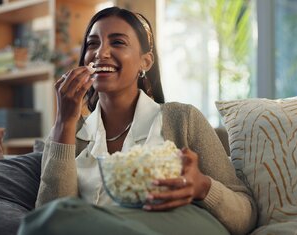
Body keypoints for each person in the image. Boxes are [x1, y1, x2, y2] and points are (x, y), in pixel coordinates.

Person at [18, 6, 257, 235]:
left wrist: (202, 186)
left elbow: (246, 215)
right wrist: (64, 122)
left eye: (118, 42)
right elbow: (53, 215)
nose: (101, 53)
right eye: (92, 44)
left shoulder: (183, 119)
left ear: (146, 62)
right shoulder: (67, 133)